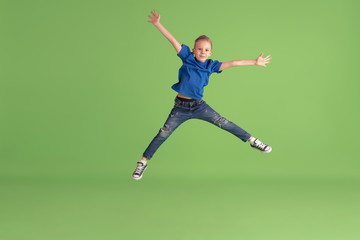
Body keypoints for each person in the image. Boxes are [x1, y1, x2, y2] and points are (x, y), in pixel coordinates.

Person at [132, 10, 272, 180]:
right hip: (180, 108)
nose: (203, 52)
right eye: (199, 49)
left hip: (199, 106)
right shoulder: (187, 58)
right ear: (193, 50)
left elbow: (234, 63)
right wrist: (157, 24)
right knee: (163, 133)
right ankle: (143, 162)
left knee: (224, 123)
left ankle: (253, 140)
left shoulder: (211, 66)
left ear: (210, 53)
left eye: (206, 50)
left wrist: (254, 62)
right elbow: (172, 40)